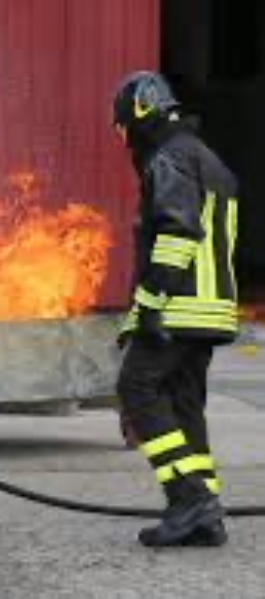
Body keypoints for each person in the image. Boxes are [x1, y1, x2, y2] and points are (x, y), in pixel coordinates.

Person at [112, 71, 240, 547]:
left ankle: (190, 500)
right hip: (212, 310)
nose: (127, 141)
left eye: (125, 129)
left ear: (140, 115)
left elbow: (177, 231)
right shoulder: (208, 159)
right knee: (185, 404)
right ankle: (205, 513)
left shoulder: (169, 158)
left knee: (136, 387)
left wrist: (149, 306)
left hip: (179, 306)